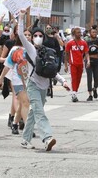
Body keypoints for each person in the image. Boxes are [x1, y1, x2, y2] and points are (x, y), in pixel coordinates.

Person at [18, 9, 69, 151]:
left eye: (40, 35)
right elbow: (20, 34)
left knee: (34, 113)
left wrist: (62, 81)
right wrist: (21, 18)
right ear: (32, 37)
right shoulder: (30, 49)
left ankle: (25, 139)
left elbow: (52, 70)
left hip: (44, 87)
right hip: (33, 85)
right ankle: (47, 138)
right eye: (36, 35)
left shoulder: (47, 51)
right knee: (39, 112)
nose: (38, 37)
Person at [64, 27, 90, 102]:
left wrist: (88, 61)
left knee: (78, 79)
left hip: (80, 64)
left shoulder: (84, 42)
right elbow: (66, 54)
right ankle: (74, 94)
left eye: (80, 32)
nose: (80, 34)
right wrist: (66, 65)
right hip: (73, 64)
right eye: (78, 32)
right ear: (74, 34)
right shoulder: (70, 43)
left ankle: (75, 91)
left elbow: (86, 53)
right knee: (74, 78)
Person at [85, 28, 98, 101]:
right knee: (89, 78)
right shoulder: (87, 42)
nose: (94, 33)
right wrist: (88, 61)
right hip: (89, 61)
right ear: (90, 33)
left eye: (95, 32)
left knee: (96, 79)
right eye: (93, 32)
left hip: (96, 61)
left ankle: (95, 88)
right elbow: (86, 52)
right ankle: (90, 95)